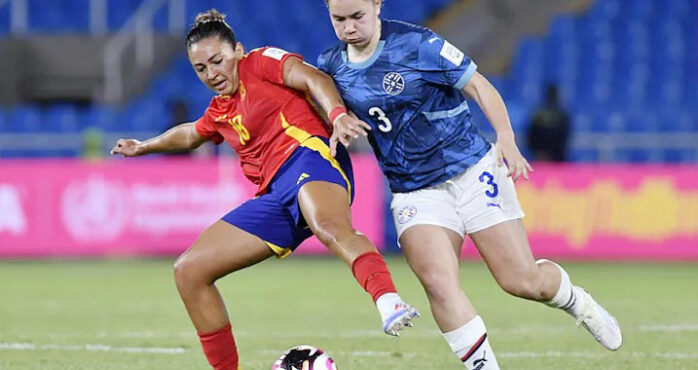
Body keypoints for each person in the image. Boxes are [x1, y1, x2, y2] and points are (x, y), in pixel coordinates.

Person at [317, 1, 622, 369]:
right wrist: (338, 119)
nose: (349, 27)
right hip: (415, 191)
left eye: (357, 17)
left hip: (472, 171)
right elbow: (325, 106)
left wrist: (505, 136)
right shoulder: (331, 66)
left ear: (377, 6)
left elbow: (477, 84)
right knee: (438, 283)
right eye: (339, 19)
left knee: (521, 280)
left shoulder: (418, 44)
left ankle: (577, 301)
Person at [110, 9, 419, 369]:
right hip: (274, 195)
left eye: (217, 61)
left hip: (310, 157)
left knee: (330, 227)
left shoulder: (260, 63)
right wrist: (143, 146)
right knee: (189, 271)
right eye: (201, 69)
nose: (212, 74)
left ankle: (388, 300)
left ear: (238, 50)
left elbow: (312, 78)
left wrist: (336, 115)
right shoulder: (220, 110)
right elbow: (192, 134)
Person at [526, 84, 571, 161]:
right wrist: (539, 152)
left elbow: (564, 136)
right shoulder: (538, 115)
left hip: (556, 156)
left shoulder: (561, 115)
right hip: (540, 156)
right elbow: (532, 135)